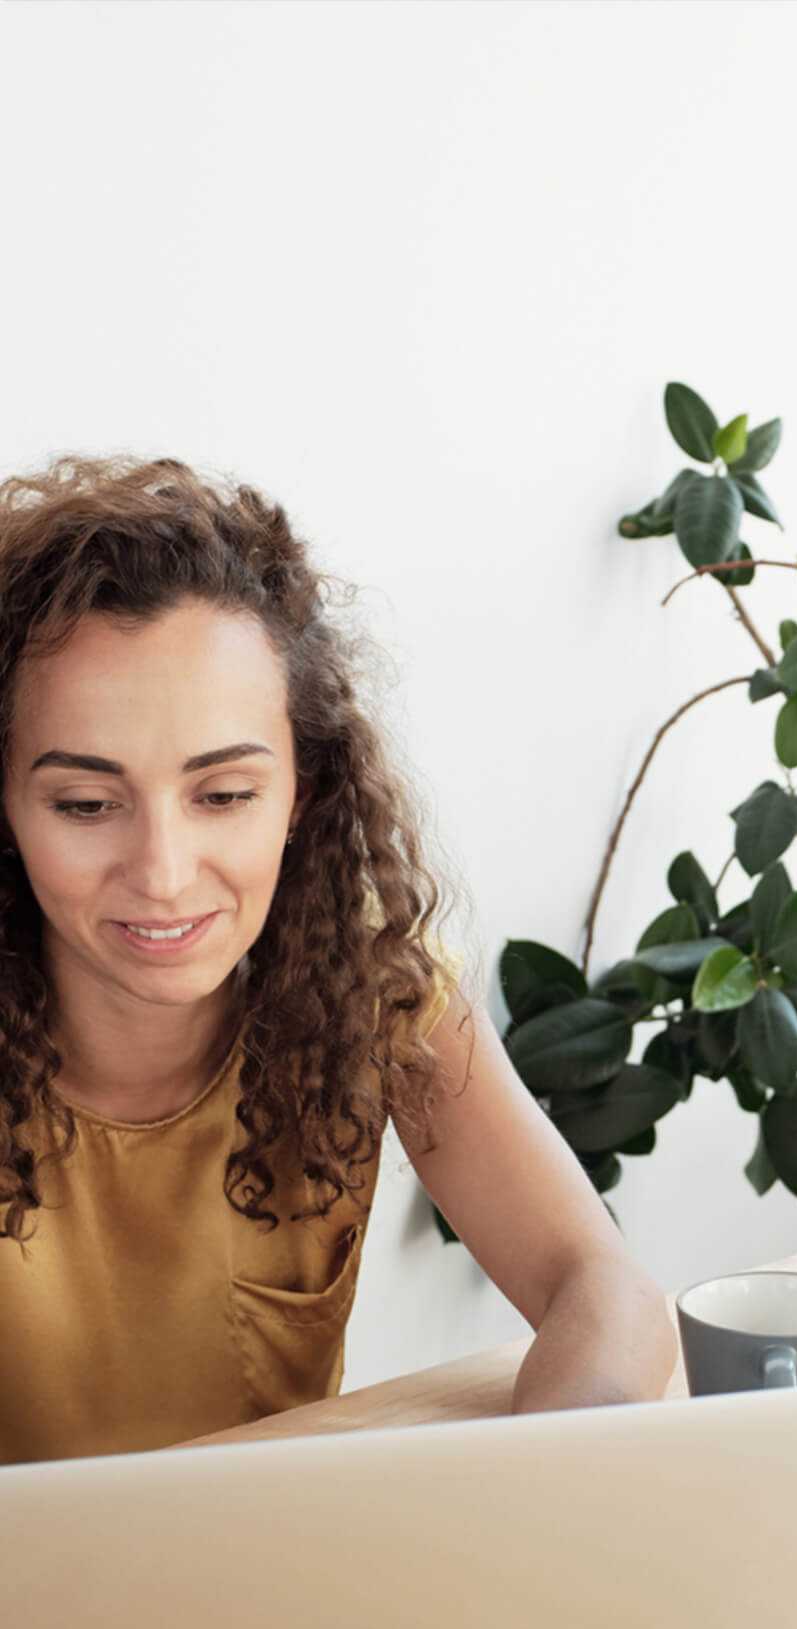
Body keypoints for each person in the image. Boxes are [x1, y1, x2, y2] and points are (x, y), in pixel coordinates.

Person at [0, 454, 675, 1464]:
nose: (165, 874)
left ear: (301, 795)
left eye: (223, 795)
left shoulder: (374, 998)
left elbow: (603, 1285)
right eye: (87, 805)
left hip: (286, 1581)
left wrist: (554, 1482)